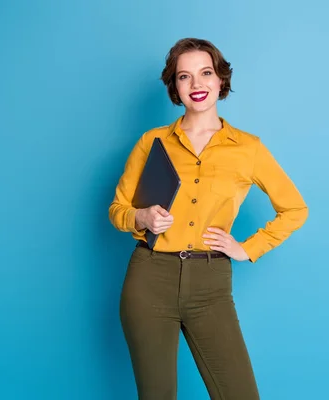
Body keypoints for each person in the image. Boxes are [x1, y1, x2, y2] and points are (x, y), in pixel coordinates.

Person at [108, 38, 308, 400]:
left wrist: (248, 248)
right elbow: (117, 210)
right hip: (149, 279)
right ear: (175, 86)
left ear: (220, 81)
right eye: (185, 76)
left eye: (206, 73)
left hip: (211, 285)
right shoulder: (152, 142)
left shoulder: (248, 148)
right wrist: (141, 216)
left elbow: (295, 209)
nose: (196, 84)